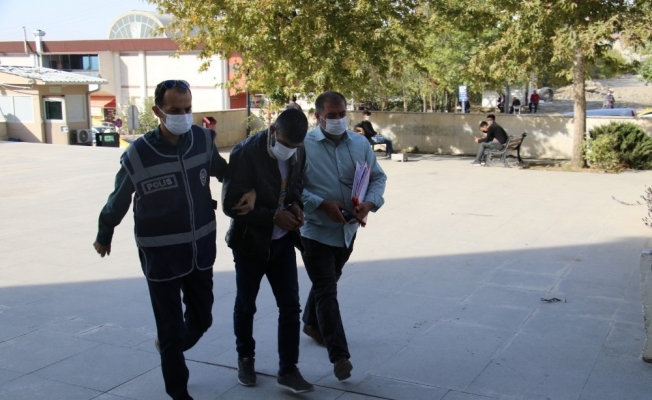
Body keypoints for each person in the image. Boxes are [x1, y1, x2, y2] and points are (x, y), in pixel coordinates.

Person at [93, 79, 254, 400]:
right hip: (161, 255)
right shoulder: (139, 154)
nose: (183, 115)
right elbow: (119, 197)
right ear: (158, 111)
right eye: (175, 110)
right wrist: (105, 231)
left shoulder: (202, 140)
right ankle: (178, 390)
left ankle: (171, 345)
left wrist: (248, 189)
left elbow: (224, 171)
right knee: (169, 328)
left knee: (202, 319)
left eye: (187, 109)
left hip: (200, 250)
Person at [221, 108, 314, 394]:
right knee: (246, 305)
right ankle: (245, 359)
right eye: (285, 144)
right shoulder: (246, 153)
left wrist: (296, 205)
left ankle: (289, 370)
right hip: (250, 243)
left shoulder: (298, 150)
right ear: (273, 130)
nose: (289, 151)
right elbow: (230, 205)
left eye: (294, 146)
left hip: (282, 243)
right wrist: (273, 215)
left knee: (291, 306)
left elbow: (296, 185)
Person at [300, 91, 387, 381]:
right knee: (327, 289)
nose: (338, 120)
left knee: (328, 279)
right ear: (318, 117)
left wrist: (369, 204)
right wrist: (321, 204)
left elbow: (377, 178)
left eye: (342, 114)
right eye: (331, 115)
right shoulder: (304, 146)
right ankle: (340, 356)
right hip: (315, 230)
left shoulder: (360, 143)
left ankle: (311, 322)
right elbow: (291, 187)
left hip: (348, 230)